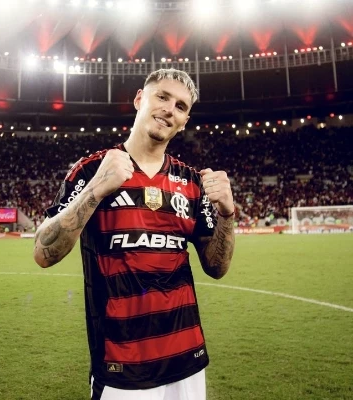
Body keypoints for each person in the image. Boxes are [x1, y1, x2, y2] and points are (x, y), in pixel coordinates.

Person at [33, 68, 235, 400]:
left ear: (184, 121)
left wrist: (227, 213)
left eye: (181, 106)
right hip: (122, 366)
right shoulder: (92, 170)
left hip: (188, 357)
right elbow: (43, 253)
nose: (169, 109)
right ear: (140, 99)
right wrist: (95, 190)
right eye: (162, 97)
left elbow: (217, 267)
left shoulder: (192, 182)